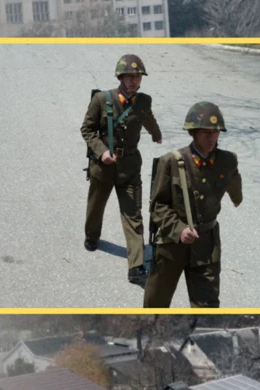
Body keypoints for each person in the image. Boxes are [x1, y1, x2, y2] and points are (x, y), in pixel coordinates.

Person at [143, 102, 242, 308]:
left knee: (208, 307)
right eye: (205, 132)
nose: (211, 137)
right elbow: (157, 207)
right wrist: (179, 230)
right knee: (155, 305)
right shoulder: (170, 162)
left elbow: (233, 179)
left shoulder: (227, 160)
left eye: (215, 132)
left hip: (206, 246)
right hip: (171, 246)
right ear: (193, 132)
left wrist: (236, 197)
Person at [80, 54, 162, 286]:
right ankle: (92, 236)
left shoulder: (143, 101)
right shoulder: (100, 100)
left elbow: (148, 119)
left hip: (130, 169)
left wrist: (156, 134)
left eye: (138, 77)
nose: (134, 81)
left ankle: (136, 266)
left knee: (133, 215)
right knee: (95, 209)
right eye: (130, 76)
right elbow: (87, 130)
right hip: (102, 168)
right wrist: (101, 152)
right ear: (120, 77)